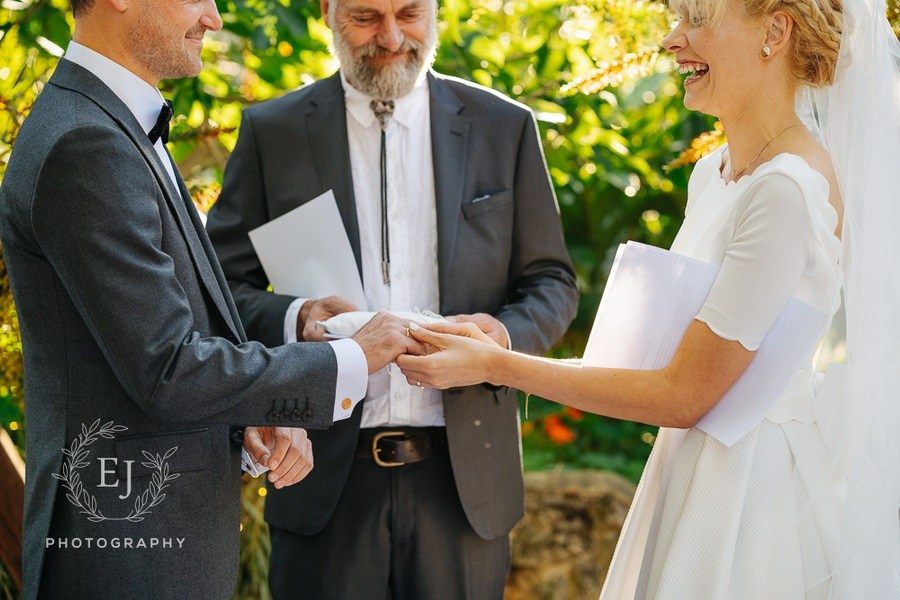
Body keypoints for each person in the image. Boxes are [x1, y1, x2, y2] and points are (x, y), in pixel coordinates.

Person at [399, 0, 900, 596]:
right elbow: (649, 370)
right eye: (674, 17)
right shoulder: (714, 173)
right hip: (689, 468)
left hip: (744, 494)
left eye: (696, 18)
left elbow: (684, 393)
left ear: (775, 31)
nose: (671, 40)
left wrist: (496, 366)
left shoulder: (786, 191)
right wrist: (497, 340)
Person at [0, 0, 421, 597]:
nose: (214, 18)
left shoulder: (109, 120)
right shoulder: (86, 140)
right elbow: (167, 369)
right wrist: (351, 357)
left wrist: (248, 413)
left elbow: (153, 342)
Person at [205, 0, 578, 595]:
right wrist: (298, 318)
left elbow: (552, 282)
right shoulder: (271, 133)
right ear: (327, 10)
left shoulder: (503, 127)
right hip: (322, 476)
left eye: (409, 14)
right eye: (365, 17)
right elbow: (218, 289)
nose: (390, 37)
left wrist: (499, 341)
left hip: (463, 487)